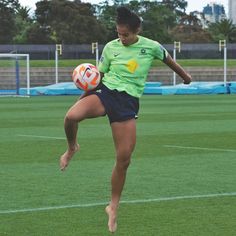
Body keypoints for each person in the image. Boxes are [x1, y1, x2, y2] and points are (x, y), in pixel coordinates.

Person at [60, 6, 192, 233]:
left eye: (126, 34)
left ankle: (113, 206)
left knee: (124, 159)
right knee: (71, 116)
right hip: (106, 93)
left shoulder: (151, 47)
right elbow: (98, 78)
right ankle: (72, 148)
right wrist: (82, 98)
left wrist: (186, 77)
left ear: (136, 30)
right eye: (118, 33)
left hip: (128, 103)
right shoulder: (111, 47)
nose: (121, 38)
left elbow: (169, 60)